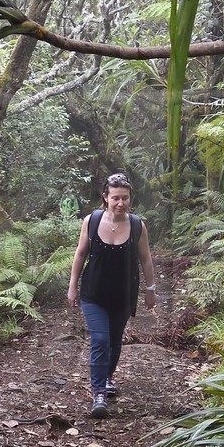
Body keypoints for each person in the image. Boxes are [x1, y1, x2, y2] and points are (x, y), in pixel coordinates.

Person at [67, 172, 158, 419]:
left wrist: (150, 290)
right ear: (105, 197)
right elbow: (80, 254)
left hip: (123, 295)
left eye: (125, 198)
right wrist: (73, 285)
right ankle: (98, 393)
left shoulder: (138, 225)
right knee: (100, 340)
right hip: (93, 294)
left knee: (115, 342)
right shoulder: (92, 221)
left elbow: (146, 259)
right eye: (116, 198)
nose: (121, 203)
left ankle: (107, 377)